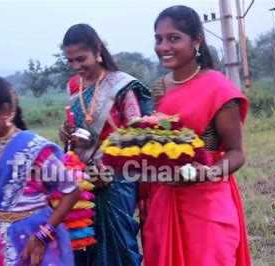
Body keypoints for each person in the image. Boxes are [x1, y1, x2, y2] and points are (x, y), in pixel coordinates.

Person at [141, 6, 251, 266]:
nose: (163, 46)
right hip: (164, 199)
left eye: (174, 38)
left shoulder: (218, 88)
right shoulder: (158, 88)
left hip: (207, 201)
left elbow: (237, 153)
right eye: (159, 39)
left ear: (197, 41)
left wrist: (207, 173)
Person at [0, 74, 81, 266]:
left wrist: (45, 233)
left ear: (6, 111)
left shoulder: (34, 149)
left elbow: (72, 191)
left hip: (31, 236)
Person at [59, 23, 151, 266]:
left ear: (97, 49)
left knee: (118, 246)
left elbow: (137, 135)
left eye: (81, 58)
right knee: (85, 244)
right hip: (84, 178)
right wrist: (68, 135)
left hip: (117, 179)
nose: (77, 66)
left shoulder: (121, 85)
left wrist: (108, 166)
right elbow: (83, 133)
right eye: (71, 61)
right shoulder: (73, 86)